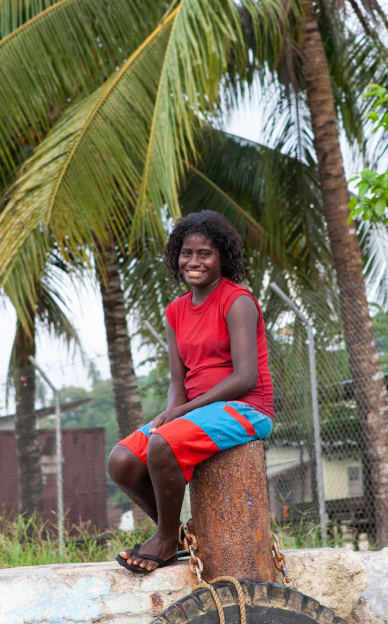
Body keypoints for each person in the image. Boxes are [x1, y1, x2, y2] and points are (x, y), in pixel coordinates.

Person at [108, 210, 274, 574]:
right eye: (187, 253)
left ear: (222, 258)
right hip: (197, 411)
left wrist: (183, 415)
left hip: (245, 408)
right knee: (121, 460)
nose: (194, 262)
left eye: (205, 253)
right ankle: (177, 535)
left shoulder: (237, 301)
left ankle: (165, 541)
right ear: (175, 257)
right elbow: (177, 383)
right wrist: (172, 411)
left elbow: (246, 377)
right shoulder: (176, 311)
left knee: (163, 444)